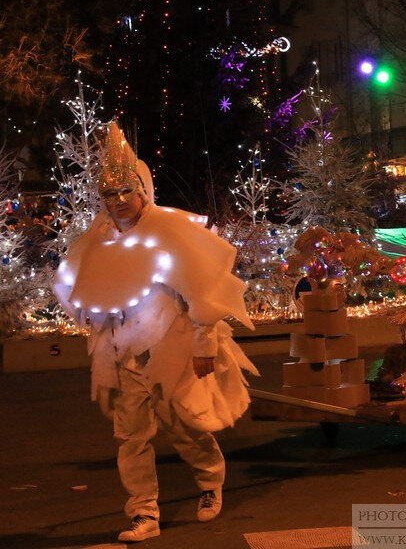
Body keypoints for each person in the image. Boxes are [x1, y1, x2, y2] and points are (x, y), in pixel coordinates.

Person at [54, 123, 259, 542]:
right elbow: (80, 288)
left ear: (143, 190)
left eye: (127, 191)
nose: (119, 201)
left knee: (183, 425)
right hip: (123, 353)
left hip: (171, 347)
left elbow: (200, 289)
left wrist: (204, 342)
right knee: (131, 437)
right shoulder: (96, 241)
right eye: (110, 194)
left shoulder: (168, 232)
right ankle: (143, 512)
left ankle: (209, 482)